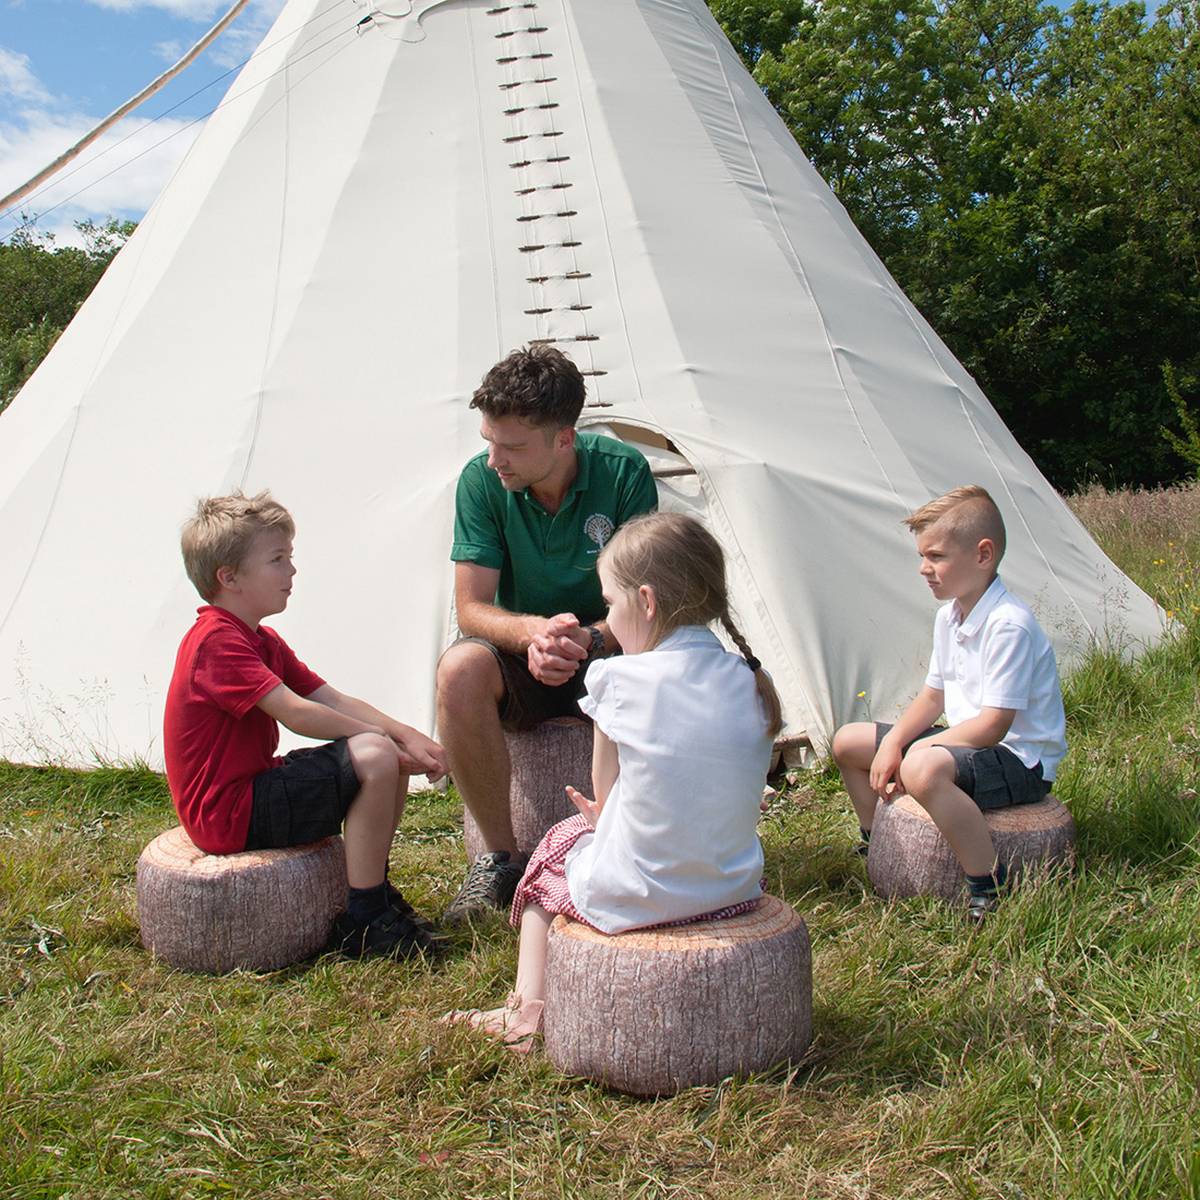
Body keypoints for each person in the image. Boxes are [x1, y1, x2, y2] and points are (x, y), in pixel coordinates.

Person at [444, 511, 783, 1048]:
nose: (607, 618)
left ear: (645, 602)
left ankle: (525, 1010)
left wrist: (602, 818)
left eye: (609, 605)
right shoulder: (752, 679)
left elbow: (604, 789)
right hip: (731, 886)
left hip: (644, 892)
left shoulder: (617, 677)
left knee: (554, 851)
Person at [163, 491, 449, 959]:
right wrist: (380, 742)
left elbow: (329, 697)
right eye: (278, 559)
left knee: (382, 756)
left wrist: (407, 735)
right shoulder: (215, 641)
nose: (291, 571)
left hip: (251, 791)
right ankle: (365, 920)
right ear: (229, 577)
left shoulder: (260, 639)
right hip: (226, 813)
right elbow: (297, 712)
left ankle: (374, 892)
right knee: (373, 755)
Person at [437, 344, 658, 923]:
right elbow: (471, 608)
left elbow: (645, 602)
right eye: (489, 440)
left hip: (609, 650)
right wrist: (536, 634)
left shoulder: (623, 472)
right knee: (459, 669)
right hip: (523, 654)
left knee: (675, 658)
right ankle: (498, 859)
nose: (494, 460)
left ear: (565, 439)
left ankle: (648, 842)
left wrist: (587, 639)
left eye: (511, 446)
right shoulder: (480, 484)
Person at [831, 485, 1067, 922]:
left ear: (983, 555)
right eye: (923, 556)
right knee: (848, 741)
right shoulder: (950, 615)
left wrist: (915, 751)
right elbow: (933, 696)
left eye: (936, 556)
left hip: (1020, 758)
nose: (924, 569)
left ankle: (987, 883)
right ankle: (876, 840)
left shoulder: (1008, 624)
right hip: (967, 743)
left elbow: (994, 725)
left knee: (921, 767)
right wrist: (894, 741)